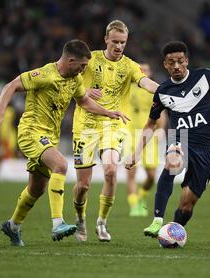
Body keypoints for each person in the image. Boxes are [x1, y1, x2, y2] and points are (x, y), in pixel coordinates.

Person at [0, 39, 129, 246]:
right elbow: (11, 85)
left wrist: (108, 113)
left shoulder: (75, 79)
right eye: (82, 66)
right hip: (31, 132)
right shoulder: (44, 75)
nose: (83, 70)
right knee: (61, 164)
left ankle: (12, 225)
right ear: (70, 61)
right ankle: (57, 223)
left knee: (36, 189)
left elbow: (84, 101)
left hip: (50, 137)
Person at [126, 41, 210, 237]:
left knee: (187, 205)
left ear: (186, 61)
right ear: (165, 65)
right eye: (171, 62)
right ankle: (157, 220)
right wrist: (136, 153)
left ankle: (172, 231)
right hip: (180, 136)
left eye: (180, 61)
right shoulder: (162, 91)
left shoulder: (205, 76)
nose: (176, 66)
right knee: (172, 162)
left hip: (205, 146)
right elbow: (150, 124)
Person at [72, 20, 159, 242]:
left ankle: (102, 222)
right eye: (115, 42)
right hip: (85, 125)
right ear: (106, 40)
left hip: (114, 124)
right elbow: (69, 79)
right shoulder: (89, 59)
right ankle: (80, 218)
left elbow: (145, 82)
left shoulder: (129, 65)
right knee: (83, 185)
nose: (119, 46)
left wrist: (165, 90)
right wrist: (84, 91)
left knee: (110, 170)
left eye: (123, 42)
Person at [123, 63, 166, 217]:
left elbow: (162, 114)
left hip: (148, 136)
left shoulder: (154, 92)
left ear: (150, 72)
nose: (144, 72)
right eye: (141, 70)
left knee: (151, 175)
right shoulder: (128, 89)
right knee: (131, 173)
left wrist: (161, 129)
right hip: (130, 134)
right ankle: (134, 206)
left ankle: (141, 197)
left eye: (146, 69)